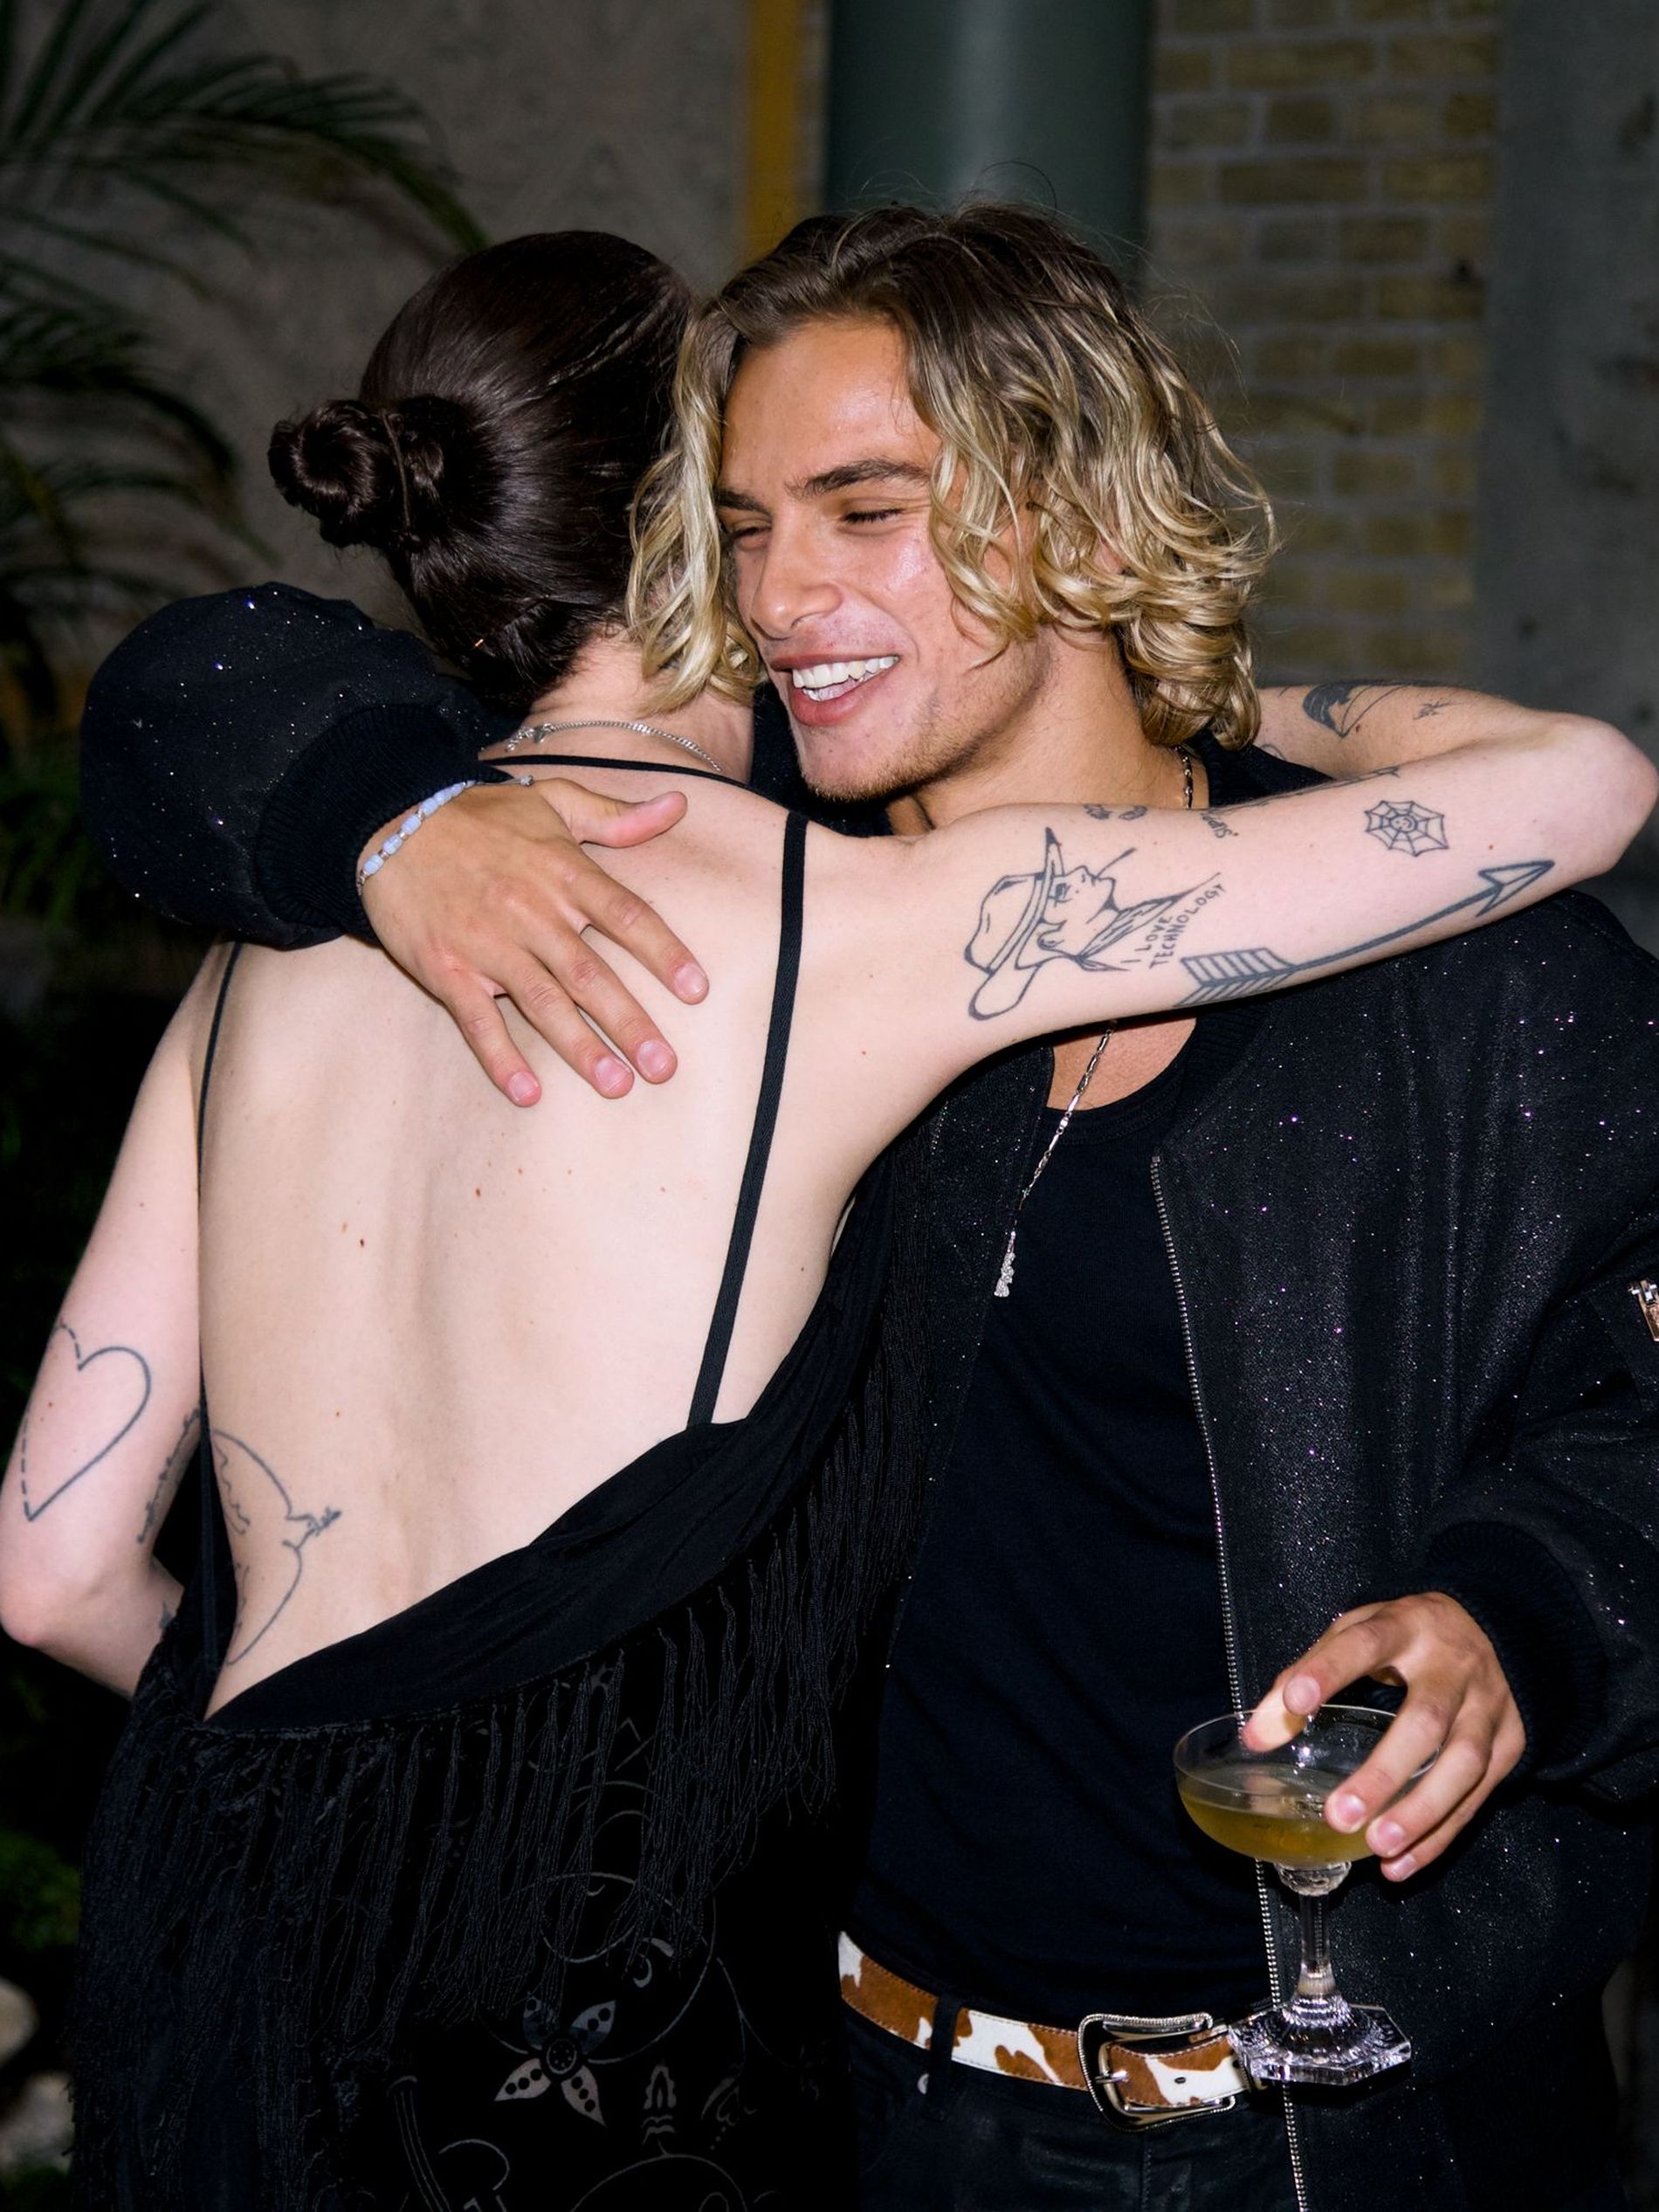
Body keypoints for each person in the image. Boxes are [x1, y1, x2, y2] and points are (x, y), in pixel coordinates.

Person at [62, 205, 1659, 2212]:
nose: (779, 593)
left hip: (1325, 2136)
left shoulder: (1459, 978)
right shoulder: (761, 936)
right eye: (737, 529)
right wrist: (389, 813)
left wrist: (1522, 1616)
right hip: (841, 2105)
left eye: (863, 509)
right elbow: (195, 687)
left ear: (1077, 511)